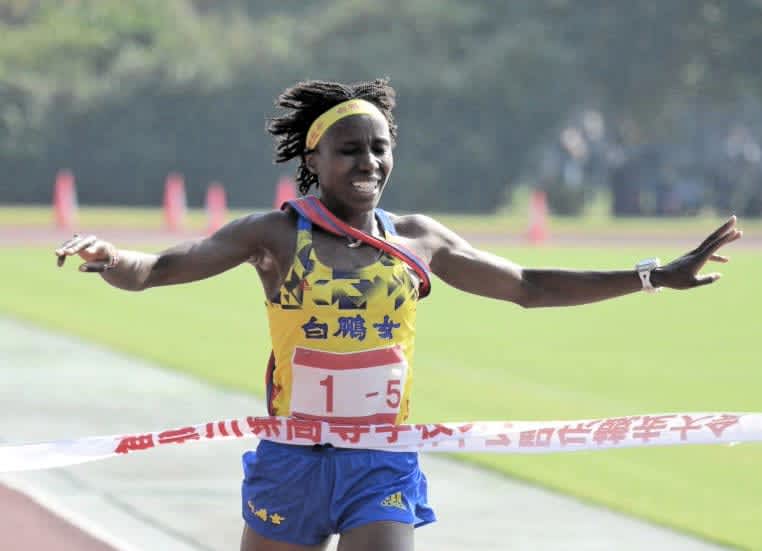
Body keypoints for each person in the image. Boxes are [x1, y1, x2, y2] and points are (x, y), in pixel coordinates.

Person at [54, 78, 743, 551]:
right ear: (313, 158)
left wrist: (654, 275)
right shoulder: (274, 235)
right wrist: (111, 256)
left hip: (379, 461)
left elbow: (530, 284)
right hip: (291, 460)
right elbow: (159, 270)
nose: (369, 161)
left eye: (380, 147)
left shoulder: (417, 238)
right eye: (350, 149)